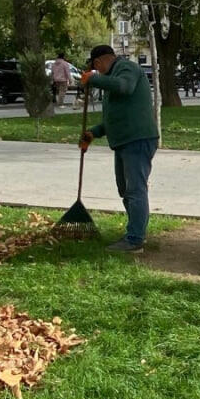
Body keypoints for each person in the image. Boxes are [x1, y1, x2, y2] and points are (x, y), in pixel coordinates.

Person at [78, 44, 159, 253]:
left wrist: (93, 79)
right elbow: (114, 119)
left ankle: (134, 240)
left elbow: (125, 87)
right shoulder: (112, 80)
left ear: (98, 62)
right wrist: (93, 133)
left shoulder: (126, 68)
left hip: (138, 140)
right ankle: (135, 232)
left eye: (96, 68)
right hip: (125, 141)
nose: (97, 72)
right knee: (125, 189)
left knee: (135, 190)